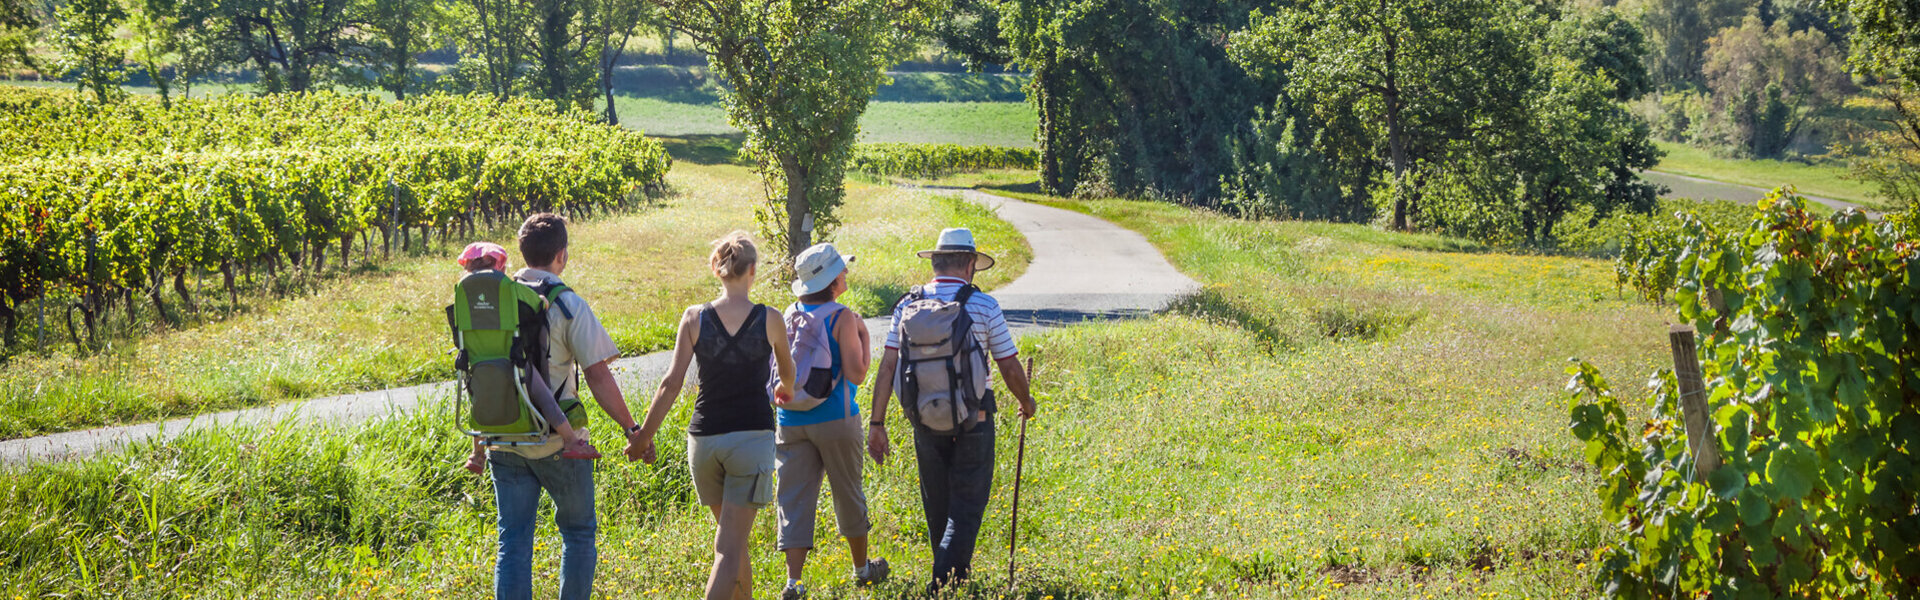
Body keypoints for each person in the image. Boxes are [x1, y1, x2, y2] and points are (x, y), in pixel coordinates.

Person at [868, 227, 1039, 594]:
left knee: (938, 505)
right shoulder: (983, 305)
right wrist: (1027, 402)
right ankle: (942, 583)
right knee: (966, 505)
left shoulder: (906, 305)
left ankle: (949, 580)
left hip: (925, 422)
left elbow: (887, 366)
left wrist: (877, 422)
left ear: (936, 262)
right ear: (969, 265)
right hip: (974, 419)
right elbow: (1008, 365)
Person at [490, 213, 648, 600]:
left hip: (503, 434)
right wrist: (632, 429)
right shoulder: (567, 303)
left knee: (513, 540)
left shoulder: (496, 300)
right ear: (561, 255)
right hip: (559, 439)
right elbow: (597, 376)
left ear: (522, 252)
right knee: (577, 533)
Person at [632, 231, 796, 600]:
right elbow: (788, 373)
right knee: (729, 547)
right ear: (753, 270)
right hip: (751, 440)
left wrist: (643, 436)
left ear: (715, 268)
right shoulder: (770, 318)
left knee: (733, 542)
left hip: (704, 442)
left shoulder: (694, 318)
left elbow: (670, 384)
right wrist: (786, 389)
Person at [773, 244, 889, 600]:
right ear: (833, 280)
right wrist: (866, 338)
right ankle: (861, 569)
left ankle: (794, 582)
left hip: (789, 417)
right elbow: (857, 374)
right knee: (847, 491)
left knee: (793, 496)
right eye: (843, 270)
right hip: (836, 418)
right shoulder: (843, 317)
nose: (847, 274)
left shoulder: (788, 313)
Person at [456, 241, 601, 476]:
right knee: (543, 395)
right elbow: (536, 302)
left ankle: (477, 454)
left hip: (477, 363)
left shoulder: (463, 295)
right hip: (513, 360)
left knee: (479, 398)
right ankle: (572, 440)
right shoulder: (508, 289)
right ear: (500, 265)